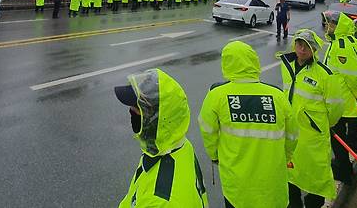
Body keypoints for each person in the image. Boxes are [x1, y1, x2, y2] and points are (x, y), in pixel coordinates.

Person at [199, 41, 298, 208]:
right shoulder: (277, 96)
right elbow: (292, 134)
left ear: (226, 63)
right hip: (272, 184)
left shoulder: (217, 95)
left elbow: (207, 131)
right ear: (254, 62)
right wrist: (285, 157)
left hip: (237, 186)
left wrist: (215, 156)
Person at [115, 68, 208, 208]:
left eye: (137, 108)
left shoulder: (159, 200)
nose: (130, 110)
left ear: (155, 120)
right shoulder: (174, 146)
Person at [280, 29, 345, 208]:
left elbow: (336, 108)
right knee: (290, 176)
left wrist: (321, 124)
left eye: (307, 46)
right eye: (299, 44)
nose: (302, 49)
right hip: (290, 134)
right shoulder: (286, 66)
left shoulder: (325, 75)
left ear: (314, 49)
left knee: (316, 178)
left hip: (312, 137)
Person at [321, 11, 357, 185]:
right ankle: (342, 165)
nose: (327, 26)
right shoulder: (336, 44)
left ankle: (344, 171)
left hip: (341, 103)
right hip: (339, 101)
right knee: (338, 141)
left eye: (331, 24)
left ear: (339, 27)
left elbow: (352, 76)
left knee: (338, 142)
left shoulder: (342, 46)